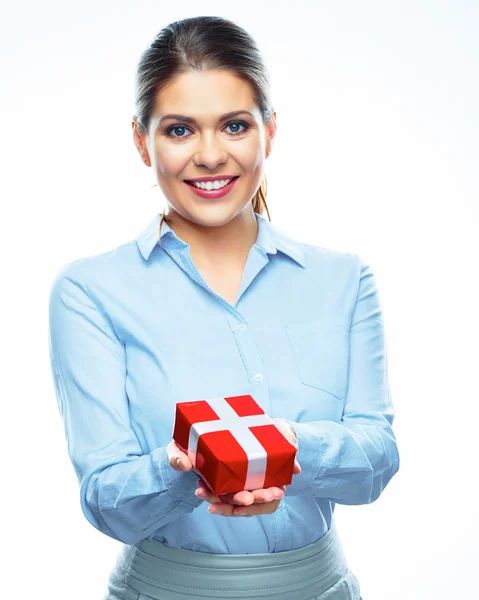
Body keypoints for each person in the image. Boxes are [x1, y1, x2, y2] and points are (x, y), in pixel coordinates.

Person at [47, 15, 399, 600]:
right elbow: (106, 499)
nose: (210, 156)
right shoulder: (89, 291)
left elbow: (377, 458)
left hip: (320, 588)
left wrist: (284, 446)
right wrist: (194, 467)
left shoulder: (344, 279)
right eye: (180, 130)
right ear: (142, 141)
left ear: (270, 131)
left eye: (234, 125)